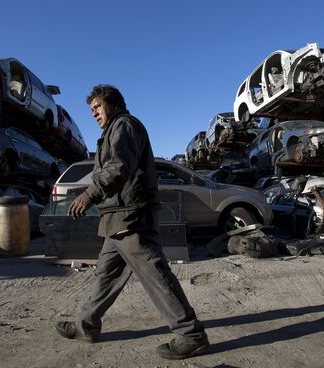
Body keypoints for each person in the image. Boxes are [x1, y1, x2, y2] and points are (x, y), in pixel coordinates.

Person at [55, 85, 209, 360]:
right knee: (106, 276)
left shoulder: (123, 125)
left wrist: (89, 195)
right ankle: (86, 327)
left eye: (97, 108)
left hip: (131, 217)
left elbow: (118, 167)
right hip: (116, 219)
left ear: (113, 104)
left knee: (156, 276)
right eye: (91, 110)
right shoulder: (112, 130)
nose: (94, 114)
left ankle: (191, 335)